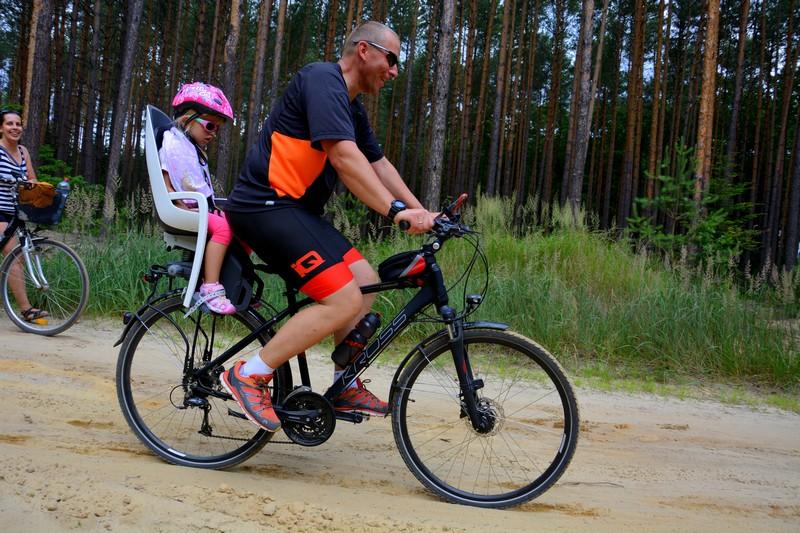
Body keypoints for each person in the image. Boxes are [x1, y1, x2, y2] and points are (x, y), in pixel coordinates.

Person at [221, 21, 436, 431]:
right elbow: (344, 157)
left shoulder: (351, 105)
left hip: (296, 212)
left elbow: (377, 164)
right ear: (364, 51)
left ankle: (344, 383)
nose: (394, 71)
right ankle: (248, 374)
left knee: (365, 282)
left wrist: (422, 211)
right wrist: (394, 212)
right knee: (342, 300)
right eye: (392, 59)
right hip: (265, 205)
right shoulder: (322, 79)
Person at [160, 82, 238, 315]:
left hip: (194, 208)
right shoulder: (173, 145)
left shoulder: (189, 147)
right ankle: (210, 286)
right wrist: (181, 204)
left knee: (241, 220)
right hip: (180, 210)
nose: (213, 134)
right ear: (187, 120)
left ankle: (233, 280)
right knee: (223, 228)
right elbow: (167, 182)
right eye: (210, 126)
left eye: (217, 129)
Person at [0, 108, 49, 323]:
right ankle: (26, 309)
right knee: (13, 255)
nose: (15, 127)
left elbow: (32, 178)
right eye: (9, 123)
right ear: (1, 128)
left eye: (18, 124)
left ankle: (25, 308)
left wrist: (38, 188)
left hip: (16, 212)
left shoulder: (23, 152)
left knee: (17, 257)